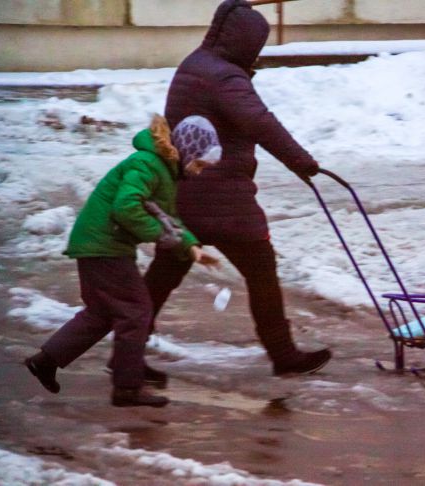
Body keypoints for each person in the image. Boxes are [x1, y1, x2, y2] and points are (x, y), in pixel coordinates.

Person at [144, 0, 332, 376]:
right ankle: (283, 354)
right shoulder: (225, 77)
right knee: (261, 266)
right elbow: (259, 122)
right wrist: (301, 161)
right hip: (220, 195)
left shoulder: (194, 64)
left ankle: (126, 354)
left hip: (186, 189)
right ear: (245, 42)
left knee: (166, 270)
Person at [24, 114, 221, 407]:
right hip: (105, 245)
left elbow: (169, 219)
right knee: (136, 311)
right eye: (200, 163)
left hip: (97, 243)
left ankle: (46, 361)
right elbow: (125, 207)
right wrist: (159, 235)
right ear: (189, 150)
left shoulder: (162, 170)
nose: (200, 171)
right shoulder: (148, 164)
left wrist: (191, 248)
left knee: (102, 313)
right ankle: (127, 389)